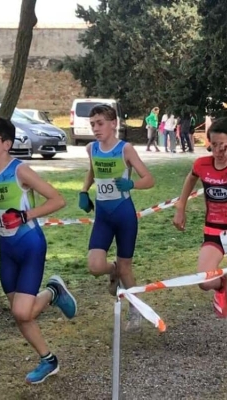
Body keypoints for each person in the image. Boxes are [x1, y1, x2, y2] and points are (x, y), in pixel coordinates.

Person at [0, 117, 77, 384]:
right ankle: (48, 360)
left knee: (21, 312)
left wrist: (25, 215)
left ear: (7, 143)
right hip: (6, 248)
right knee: (20, 313)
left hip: (30, 245)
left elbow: (58, 200)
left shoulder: (20, 171)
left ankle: (53, 292)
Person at [173, 117, 227, 366]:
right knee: (204, 280)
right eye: (214, 144)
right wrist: (181, 206)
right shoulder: (202, 164)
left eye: (224, 145)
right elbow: (190, 178)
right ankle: (220, 284)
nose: (218, 150)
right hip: (214, 232)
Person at [79, 104, 154, 332]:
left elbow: (149, 179)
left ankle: (135, 309)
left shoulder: (126, 149)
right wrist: (84, 191)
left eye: (100, 123)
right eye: (92, 124)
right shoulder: (92, 148)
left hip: (123, 213)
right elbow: (92, 170)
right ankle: (112, 271)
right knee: (94, 266)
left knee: (126, 268)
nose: (95, 128)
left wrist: (132, 183)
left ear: (113, 124)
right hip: (103, 214)